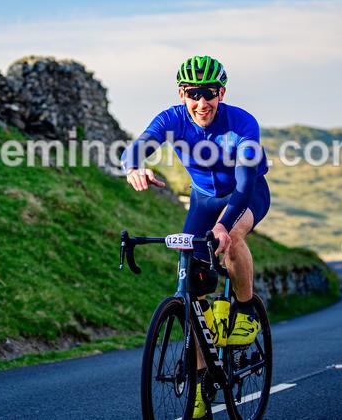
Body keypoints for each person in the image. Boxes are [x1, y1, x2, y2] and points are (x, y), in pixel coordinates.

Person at [120, 55, 271, 418]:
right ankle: (202, 378)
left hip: (245, 194)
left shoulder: (242, 123)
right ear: (181, 94)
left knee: (231, 236)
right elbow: (137, 146)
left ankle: (246, 311)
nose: (201, 102)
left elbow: (246, 182)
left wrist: (222, 224)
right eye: (193, 94)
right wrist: (133, 168)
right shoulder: (172, 119)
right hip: (203, 199)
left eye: (209, 93)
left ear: (221, 93)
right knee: (191, 283)